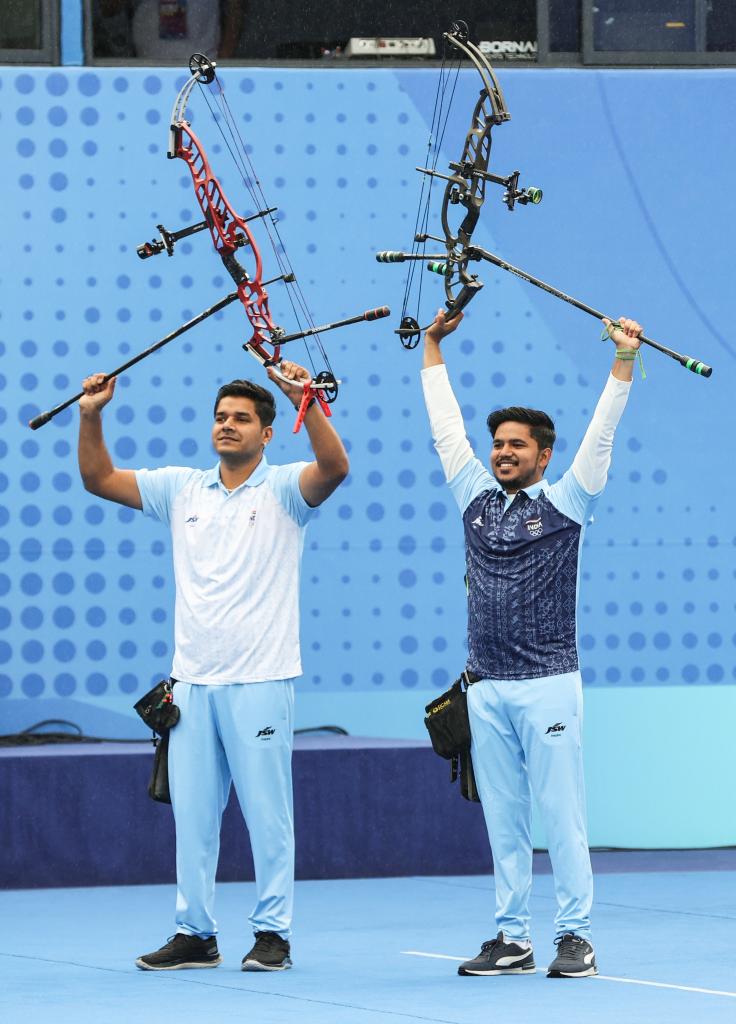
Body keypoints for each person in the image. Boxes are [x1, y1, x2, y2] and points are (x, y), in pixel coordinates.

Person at [77, 361, 349, 972]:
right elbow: (98, 478)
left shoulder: (285, 489)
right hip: (191, 685)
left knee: (268, 817)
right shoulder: (181, 488)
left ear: (267, 433)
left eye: (242, 419)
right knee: (194, 819)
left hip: (261, 680)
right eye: (221, 417)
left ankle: (273, 933)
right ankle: (195, 933)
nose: (227, 425)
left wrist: (305, 401)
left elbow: (335, 467)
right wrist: (91, 415)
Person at [420, 309, 644, 979]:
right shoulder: (474, 499)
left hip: (549, 684)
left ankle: (576, 936)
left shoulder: (568, 502)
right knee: (504, 821)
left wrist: (624, 359)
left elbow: (602, 433)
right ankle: (512, 938)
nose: (503, 453)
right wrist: (431, 346)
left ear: (543, 456)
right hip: (484, 688)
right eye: (498, 445)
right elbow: (445, 428)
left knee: (561, 816)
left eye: (517, 445)